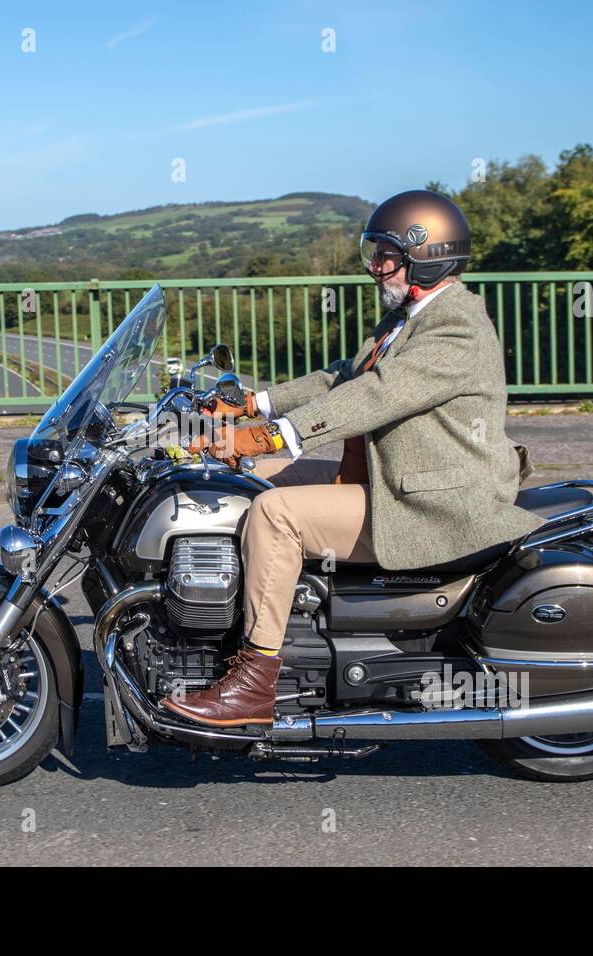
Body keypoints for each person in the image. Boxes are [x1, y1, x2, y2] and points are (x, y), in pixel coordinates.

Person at [162, 189, 542, 727]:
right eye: (375, 254)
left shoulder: (455, 325)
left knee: (276, 513)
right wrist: (251, 403)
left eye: (386, 256)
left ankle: (254, 682)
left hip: (434, 500)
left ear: (428, 257)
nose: (375, 268)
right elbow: (343, 376)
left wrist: (269, 435)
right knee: (246, 480)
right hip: (395, 476)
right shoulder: (411, 315)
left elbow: (376, 395)